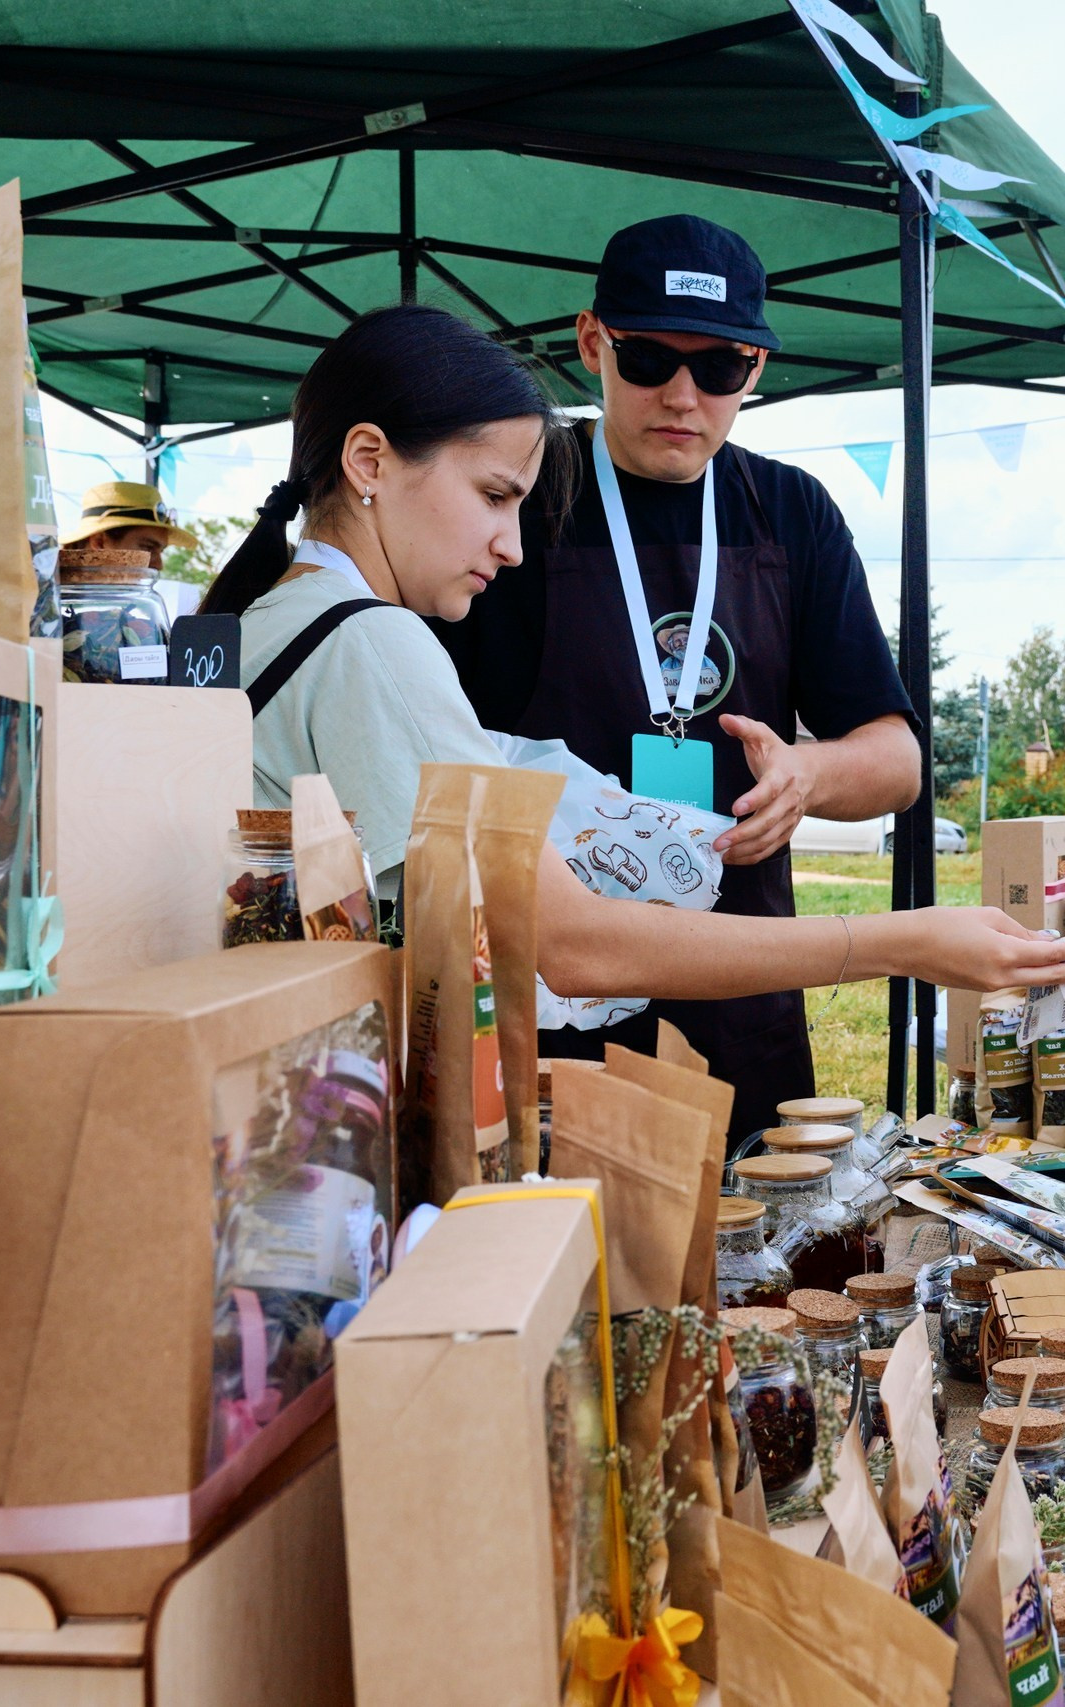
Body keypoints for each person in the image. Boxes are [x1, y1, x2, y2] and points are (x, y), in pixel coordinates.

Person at [194, 303, 1065, 1021]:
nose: (511, 546)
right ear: (369, 461)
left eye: (720, 368)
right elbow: (574, 944)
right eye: (495, 496)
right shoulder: (375, 643)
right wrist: (903, 942)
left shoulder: (266, 620)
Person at [435, 215, 922, 1138]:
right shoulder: (520, 497)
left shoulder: (791, 513)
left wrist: (807, 776)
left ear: (756, 368)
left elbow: (897, 759)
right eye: (649, 358)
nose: (683, 395)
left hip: (743, 991)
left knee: (757, 1262)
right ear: (592, 344)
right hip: (552, 997)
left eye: (719, 369)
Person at [62, 478, 190, 570]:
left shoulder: (138, 603)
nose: (159, 565)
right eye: (148, 548)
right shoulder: (47, 600)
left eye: (161, 551)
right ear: (99, 542)